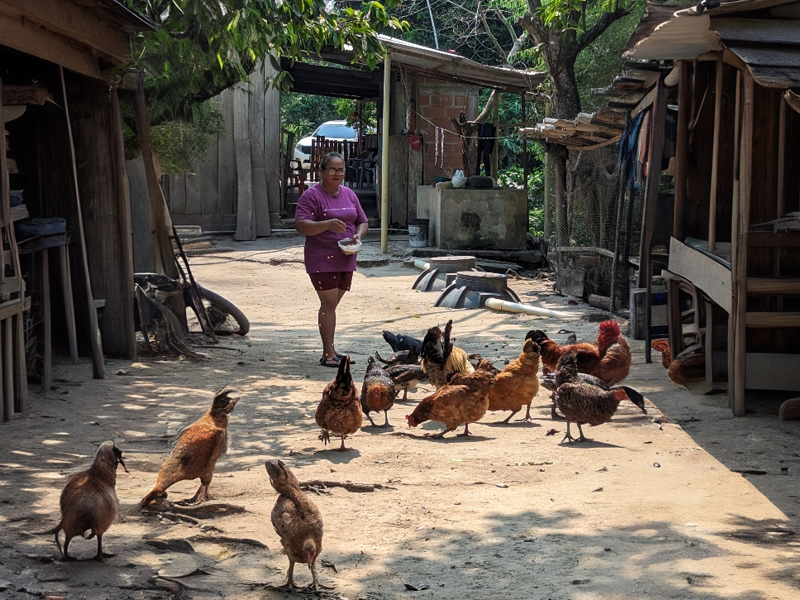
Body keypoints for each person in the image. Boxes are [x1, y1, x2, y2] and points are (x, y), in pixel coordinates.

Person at [295, 152, 369, 367]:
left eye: (341, 169)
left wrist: (358, 235)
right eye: (333, 170)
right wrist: (326, 225)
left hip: (346, 255)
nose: (338, 174)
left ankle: (333, 350)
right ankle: (328, 353)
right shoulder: (311, 196)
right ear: (322, 171)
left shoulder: (349, 194)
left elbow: (362, 221)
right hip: (321, 257)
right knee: (328, 304)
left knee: (332, 305)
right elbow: (301, 225)